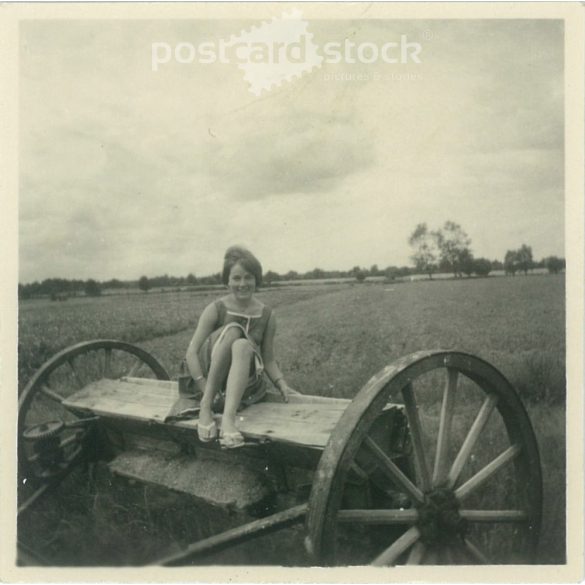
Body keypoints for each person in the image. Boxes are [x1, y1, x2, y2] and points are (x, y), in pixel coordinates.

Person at [185, 246, 297, 448]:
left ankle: (228, 420)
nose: (242, 284)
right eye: (236, 278)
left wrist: (281, 384)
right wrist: (203, 388)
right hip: (212, 384)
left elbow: (268, 359)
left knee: (243, 345)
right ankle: (206, 406)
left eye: (248, 277)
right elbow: (192, 352)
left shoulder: (267, 315)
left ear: (257, 279)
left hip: (247, 386)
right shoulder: (216, 309)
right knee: (234, 331)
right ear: (227, 281)